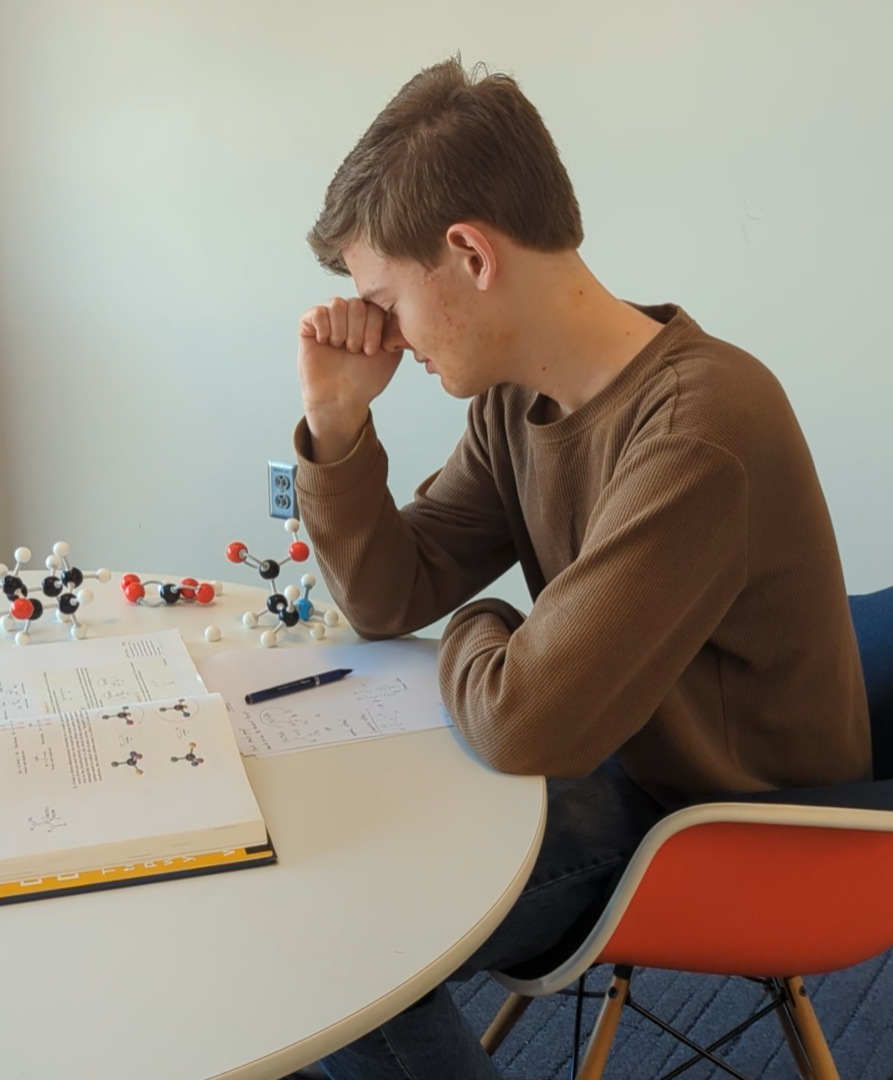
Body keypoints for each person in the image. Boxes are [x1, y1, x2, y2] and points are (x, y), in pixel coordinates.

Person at [289, 57, 871, 1080]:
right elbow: (388, 597)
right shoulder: (516, 404)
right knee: (317, 874)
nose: (384, 336)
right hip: (620, 764)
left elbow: (525, 721)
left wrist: (486, 628)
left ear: (470, 255)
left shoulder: (700, 430)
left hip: (731, 826)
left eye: (384, 299)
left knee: (351, 928)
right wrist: (337, 423)